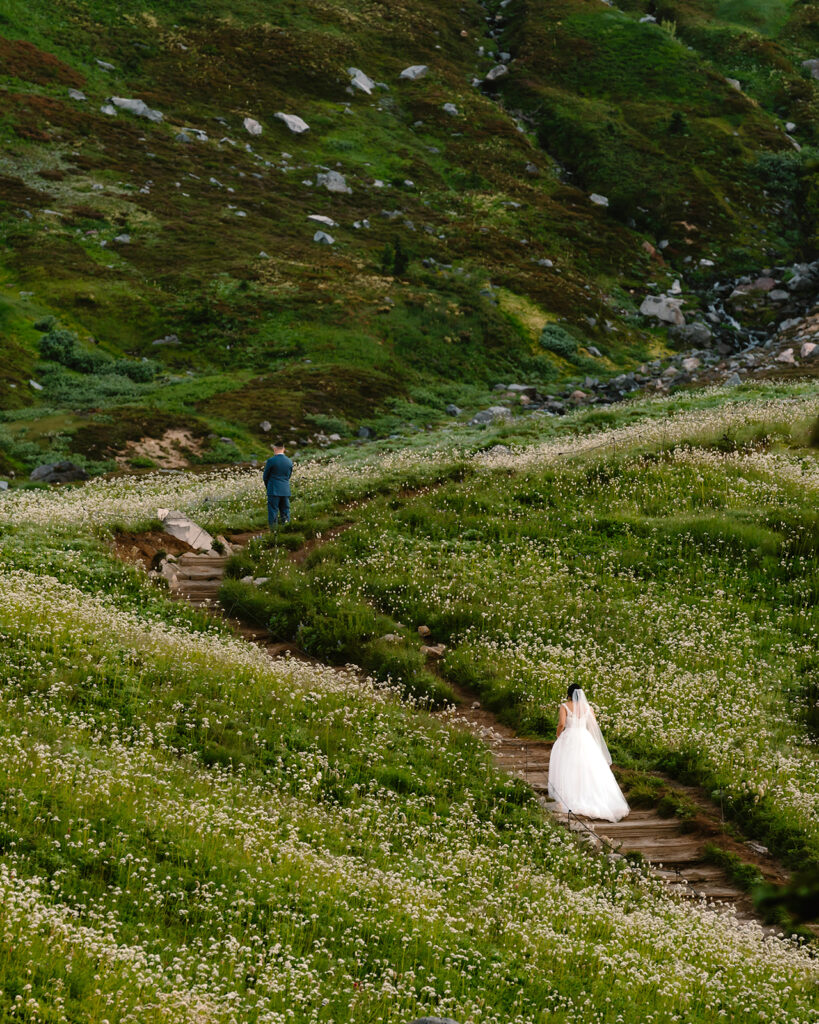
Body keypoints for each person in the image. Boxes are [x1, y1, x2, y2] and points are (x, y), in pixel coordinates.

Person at [547, 684, 629, 822]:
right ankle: (599, 798)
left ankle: (569, 796)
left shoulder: (564, 706)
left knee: (568, 767)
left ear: (568, 693)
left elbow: (561, 724)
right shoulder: (588, 708)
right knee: (589, 768)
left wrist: (558, 735)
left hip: (570, 738)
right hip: (585, 738)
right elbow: (593, 725)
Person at [262, 443, 293, 528]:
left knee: (273, 512)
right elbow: (288, 476)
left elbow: (265, 477)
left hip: (273, 489)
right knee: (286, 511)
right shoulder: (289, 461)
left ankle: (274, 532)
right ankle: (286, 530)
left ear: (275, 449)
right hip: (285, 490)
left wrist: (268, 487)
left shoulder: (271, 461)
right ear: (284, 449)